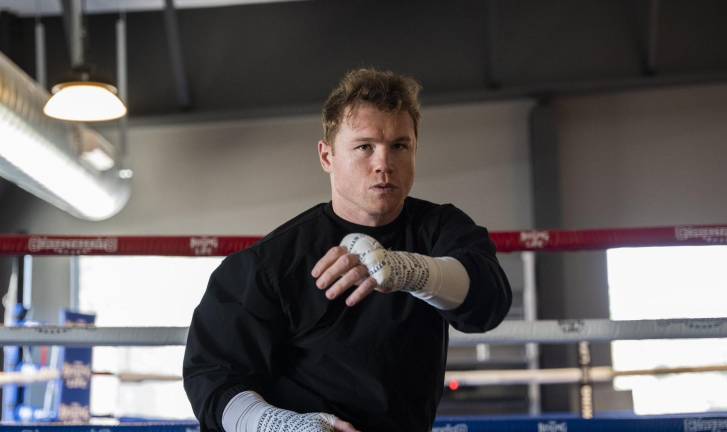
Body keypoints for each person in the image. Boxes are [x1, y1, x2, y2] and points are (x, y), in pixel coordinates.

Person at [183, 68, 512, 432]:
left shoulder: (439, 229)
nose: (383, 164)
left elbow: (489, 302)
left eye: (399, 146)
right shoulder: (271, 263)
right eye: (364, 146)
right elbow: (213, 379)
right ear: (327, 157)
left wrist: (409, 270)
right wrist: (282, 426)